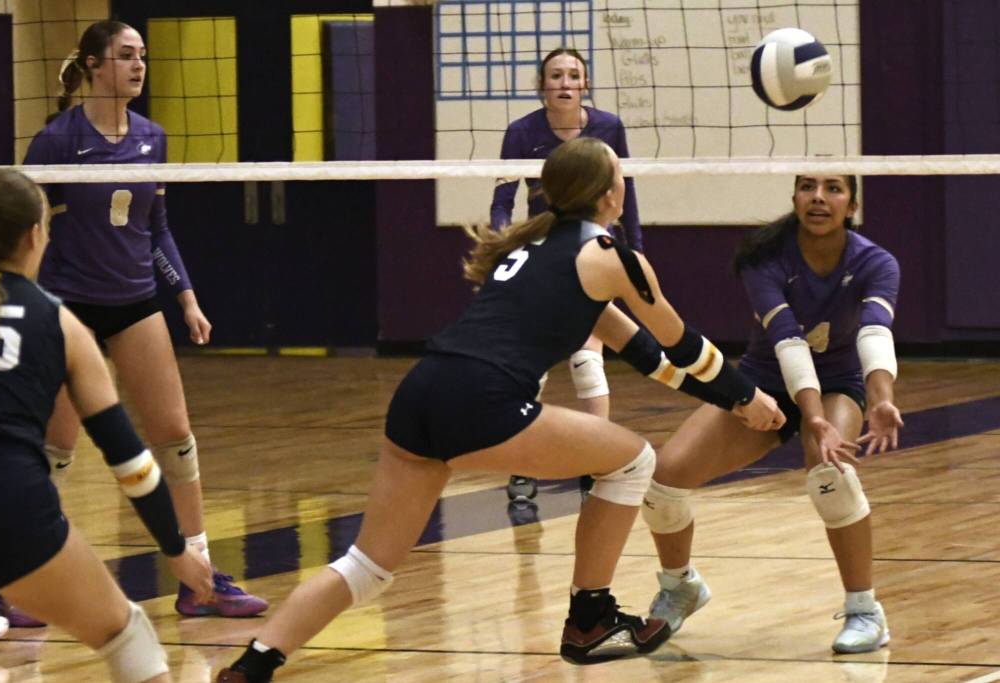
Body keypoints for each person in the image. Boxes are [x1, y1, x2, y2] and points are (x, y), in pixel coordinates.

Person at [215, 138, 785, 682]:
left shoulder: (529, 248)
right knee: (634, 461)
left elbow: (646, 355)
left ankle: (257, 662)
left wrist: (731, 403)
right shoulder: (611, 256)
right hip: (480, 400)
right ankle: (590, 618)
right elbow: (683, 347)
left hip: (420, 393)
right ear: (611, 194)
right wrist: (747, 398)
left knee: (368, 566)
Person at [21, 19, 267, 618]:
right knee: (56, 446)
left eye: (143, 56)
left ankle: (199, 579)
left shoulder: (152, 137)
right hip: (68, 307)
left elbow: (155, 227)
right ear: (94, 65)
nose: (138, 65)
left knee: (176, 439)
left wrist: (184, 296)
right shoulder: (55, 142)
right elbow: (28, 232)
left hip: (135, 302)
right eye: (126, 55)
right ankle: (22, 579)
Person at [642, 174, 902, 654]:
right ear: (794, 199)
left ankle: (866, 610)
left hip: (838, 384)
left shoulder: (875, 262)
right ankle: (680, 586)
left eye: (833, 189)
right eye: (807, 187)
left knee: (831, 475)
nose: (819, 197)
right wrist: (808, 417)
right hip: (764, 381)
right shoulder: (765, 258)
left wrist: (881, 397)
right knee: (664, 481)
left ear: (852, 205)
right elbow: (788, 338)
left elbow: (874, 333)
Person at [0, 167, 215, 681]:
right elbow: (130, 461)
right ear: (36, 234)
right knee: (128, 635)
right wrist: (177, 550)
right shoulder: (61, 324)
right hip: (12, 508)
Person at [490, 46, 643, 502]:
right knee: (531, 365)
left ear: (585, 85)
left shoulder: (609, 127)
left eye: (573, 75)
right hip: (543, 249)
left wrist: (633, 252)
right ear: (542, 86)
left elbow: (627, 193)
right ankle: (522, 467)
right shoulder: (521, 133)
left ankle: (597, 461)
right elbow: (502, 198)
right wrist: (503, 242)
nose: (564, 83)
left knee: (586, 357)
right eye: (555, 76)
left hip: (592, 249)